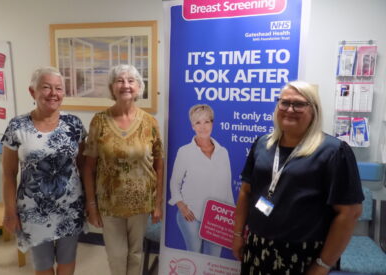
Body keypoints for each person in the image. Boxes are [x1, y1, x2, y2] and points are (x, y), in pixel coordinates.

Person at [232, 81, 364, 275]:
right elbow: (245, 192)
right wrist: (237, 234)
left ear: (314, 110)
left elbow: (350, 213)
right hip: (257, 247)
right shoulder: (262, 144)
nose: (290, 109)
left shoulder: (334, 151)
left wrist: (323, 264)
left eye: (299, 104)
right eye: (284, 103)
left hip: (303, 254)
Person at [1, 66, 87, 275]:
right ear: (33, 92)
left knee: (68, 260)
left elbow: (84, 167)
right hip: (33, 210)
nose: (53, 93)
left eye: (58, 88)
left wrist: (91, 204)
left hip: (70, 207)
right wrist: (10, 212)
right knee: (42, 265)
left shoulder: (73, 124)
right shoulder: (17, 126)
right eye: (46, 87)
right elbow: (8, 173)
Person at [83, 64, 164, 275]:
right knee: (117, 256)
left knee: (135, 254)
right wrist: (91, 205)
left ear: (139, 87)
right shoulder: (99, 121)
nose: (125, 85)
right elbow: (88, 167)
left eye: (131, 81)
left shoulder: (150, 122)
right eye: (120, 80)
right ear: (112, 88)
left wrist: (157, 203)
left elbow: (159, 162)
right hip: (109, 203)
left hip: (141, 203)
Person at [168, 104, 234, 257]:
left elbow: (227, 187)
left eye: (207, 121)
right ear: (192, 126)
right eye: (198, 122)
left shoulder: (223, 152)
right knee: (195, 258)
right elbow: (174, 183)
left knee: (213, 260)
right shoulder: (184, 152)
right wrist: (182, 206)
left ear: (212, 123)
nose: (203, 127)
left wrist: (231, 216)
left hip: (216, 217)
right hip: (191, 214)